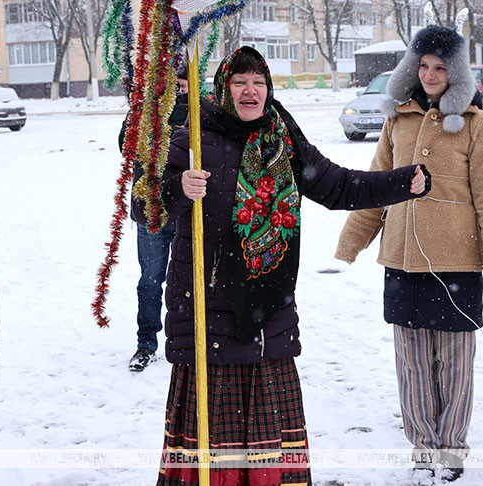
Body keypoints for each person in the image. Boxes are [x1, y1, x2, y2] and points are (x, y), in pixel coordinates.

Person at [136, 46, 429, 486]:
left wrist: (402, 181)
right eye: (239, 82)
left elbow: (338, 187)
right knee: (212, 450)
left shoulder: (283, 139)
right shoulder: (192, 138)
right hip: (207, 314)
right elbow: (144, 209)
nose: (250, 91)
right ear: (224, 88)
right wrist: (178, 187)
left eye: (259, 82)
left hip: (268, 312)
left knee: (268, 446)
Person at [335, 22, 483, 482]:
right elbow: (377, 186)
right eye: (423, 66)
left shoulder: (478, 125)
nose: (431, 75)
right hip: (402, 261)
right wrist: (351, 243)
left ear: (455, 72)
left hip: (457, 263)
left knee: (453, 366)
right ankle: (423, 449)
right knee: (413, 364)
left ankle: (452, 451)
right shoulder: (398, 119)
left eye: (440, 67)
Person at [120, 67, 190, 372]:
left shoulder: (201, 112)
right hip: (152, 212)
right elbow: (127, 146)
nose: (177, 91)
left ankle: (189, 341)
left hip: (190, 210)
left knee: (192, 280)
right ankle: (146, 342)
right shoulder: (146, 111)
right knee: (150, 280)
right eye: (171, 85)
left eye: (182, 85)